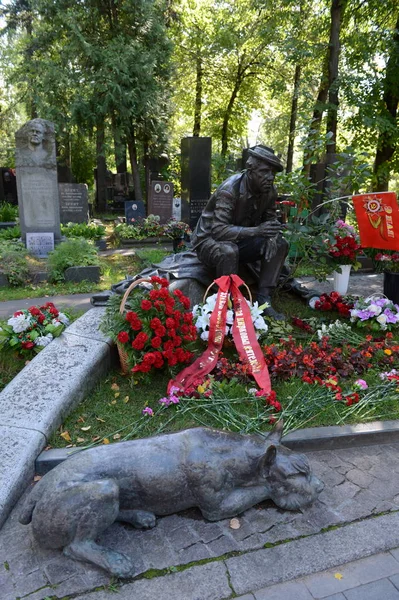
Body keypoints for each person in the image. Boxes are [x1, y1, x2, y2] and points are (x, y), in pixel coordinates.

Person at [191, 145, 288, 320]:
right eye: (265, 172)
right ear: (251, 169)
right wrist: (257, 231)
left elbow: (271, 220)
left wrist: (272, 236)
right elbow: (218, 230)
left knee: (280, 243)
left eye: (273, 173)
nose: (270, 177)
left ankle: (264, 300)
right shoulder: (230, 190)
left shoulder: (270, 192)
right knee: (229, 251)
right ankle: (226, 305)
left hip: (240, 240)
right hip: (208, 240)